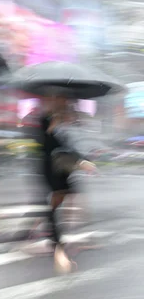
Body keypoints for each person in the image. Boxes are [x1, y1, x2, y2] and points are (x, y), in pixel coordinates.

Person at [38, 95, 96, 273]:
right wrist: (52, 128)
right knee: (54, 207)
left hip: (63, 170)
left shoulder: (64, 120)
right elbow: (49, 146)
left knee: (64, 200)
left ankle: (51, 234)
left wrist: (82, 160)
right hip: (51, 170)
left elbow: (68, 146)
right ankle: (57, 245)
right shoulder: (44, 121)